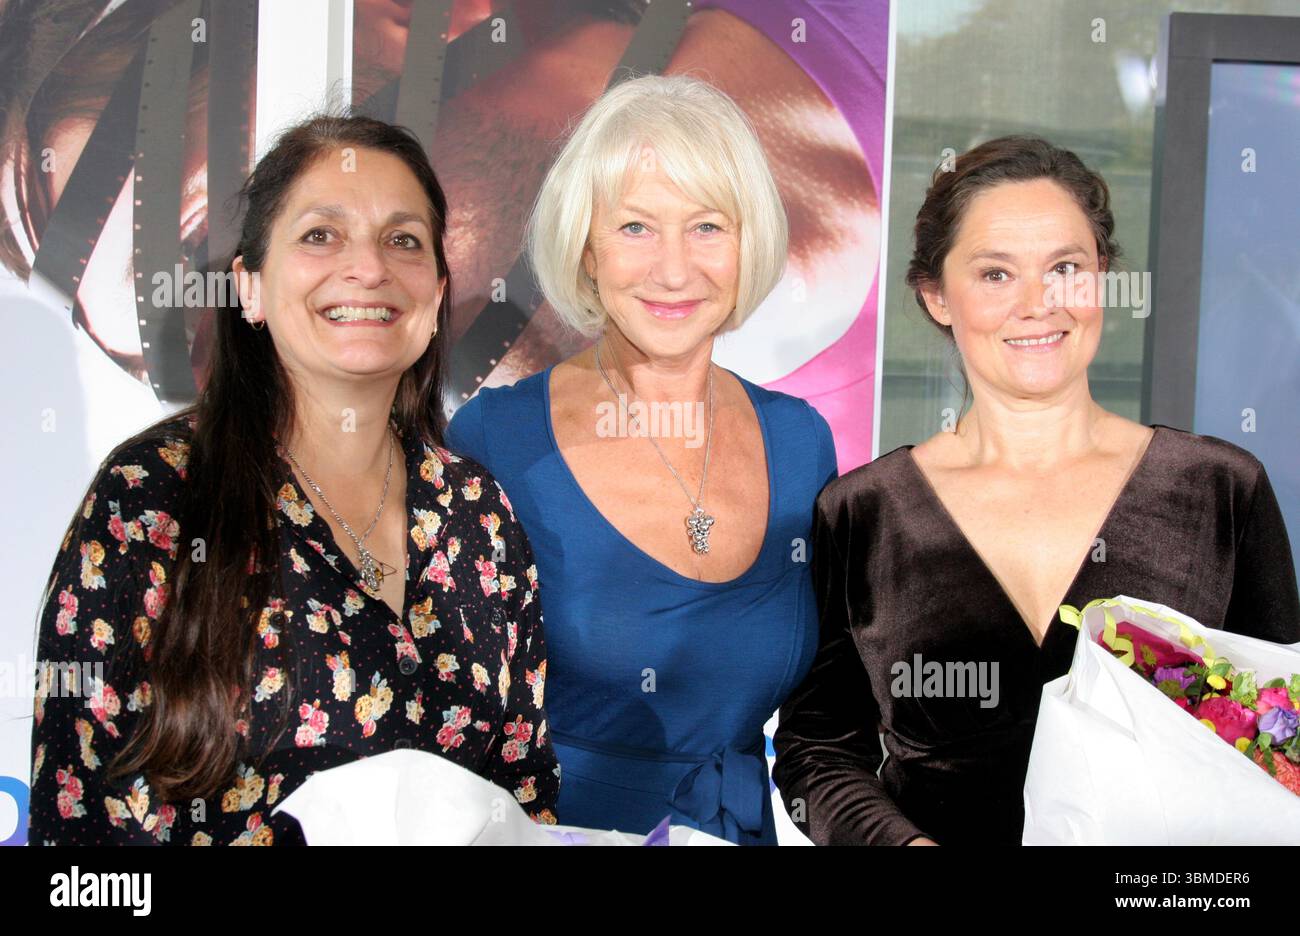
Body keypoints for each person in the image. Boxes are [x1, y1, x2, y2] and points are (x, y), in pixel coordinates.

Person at [28, 114, 558, 845]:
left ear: (437, 296)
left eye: (403, 240)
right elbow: (77, 839)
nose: (368, 268)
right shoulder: (153, 495)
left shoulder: (478, 513)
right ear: (249, 288)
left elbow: (526, 797)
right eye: (320, 234)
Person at [772, 135, 1300, 846]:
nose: (1037, 305)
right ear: (936, 296)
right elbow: (819, 753)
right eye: (995, 274)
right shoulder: (864, 513)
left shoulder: (1221, 491)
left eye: (1065, 268)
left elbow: (1284, 740)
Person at [444, 75, 837, 845]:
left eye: (707, 226)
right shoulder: (497, 440)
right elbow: (444, 713)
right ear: (585, 249)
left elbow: (826, 723)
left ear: (749, 243)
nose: (674, 269)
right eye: (635, 227)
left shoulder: (802, 443)